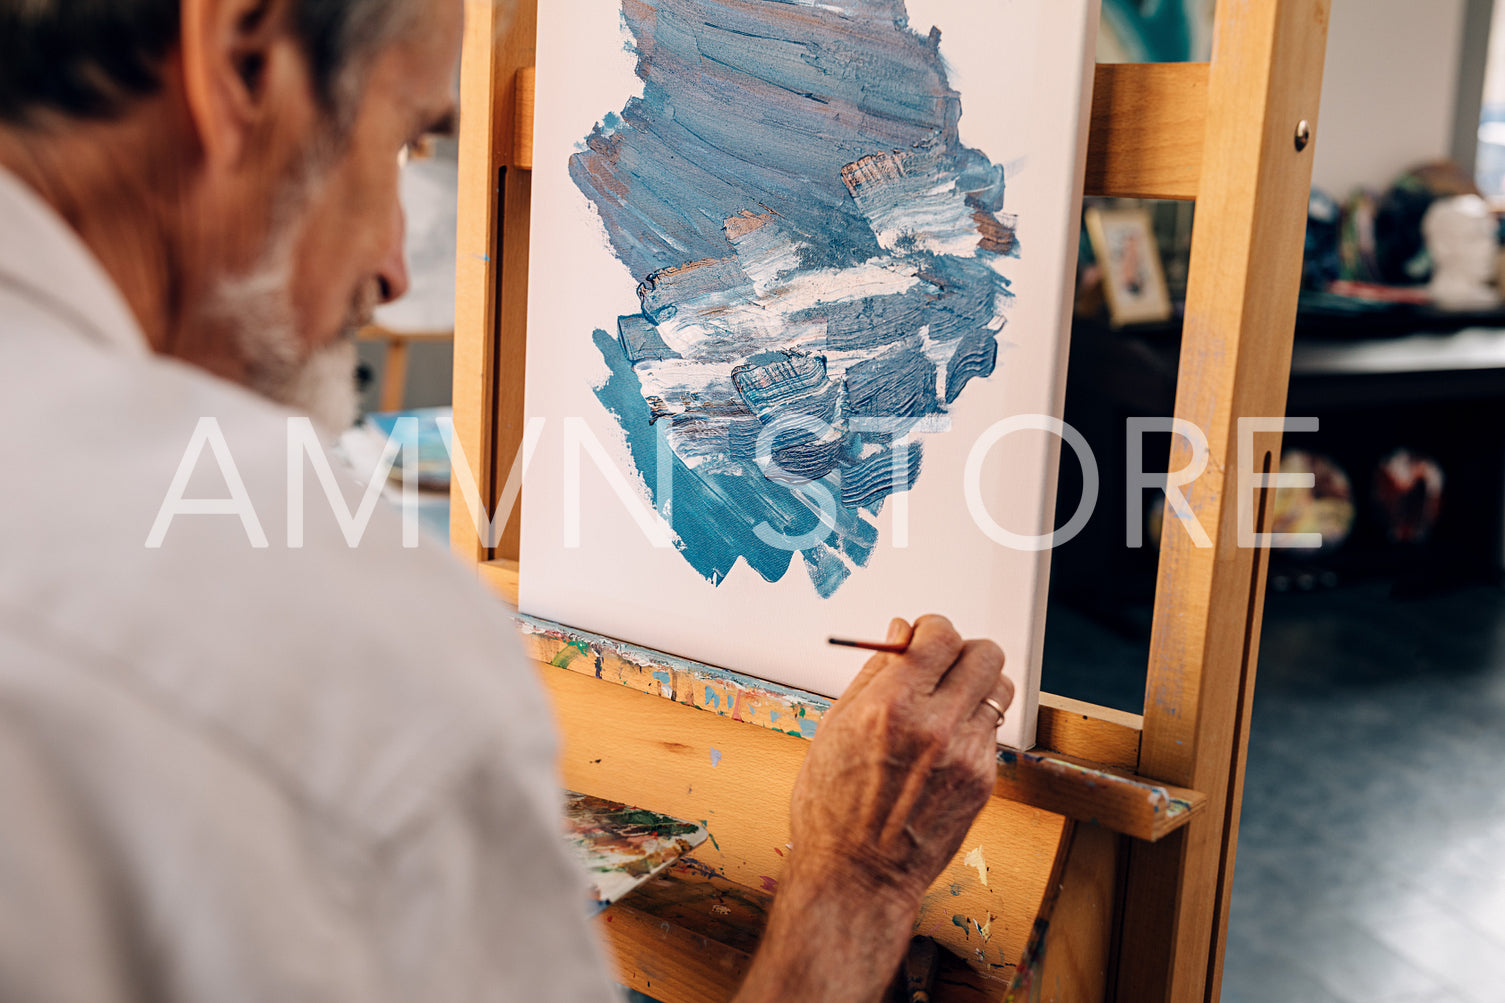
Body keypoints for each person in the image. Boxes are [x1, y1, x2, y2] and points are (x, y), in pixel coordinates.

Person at [0, 0, 1014, 1000]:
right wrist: (859, 880)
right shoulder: (325, 630)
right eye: (402, 142)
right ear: (245, 61)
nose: (395, 264)